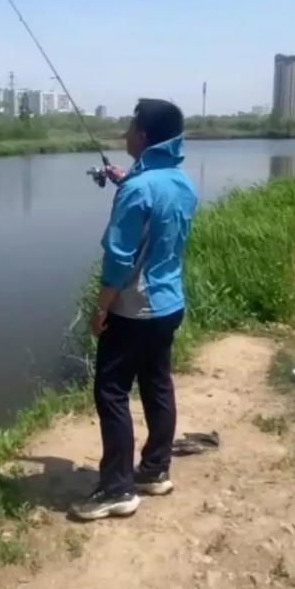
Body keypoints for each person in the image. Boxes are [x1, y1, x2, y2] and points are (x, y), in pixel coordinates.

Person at [71, 98, 199, 522]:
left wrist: (100, 308)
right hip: (169, 305)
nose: (124, 133)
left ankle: (116, 489)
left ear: (142, 136)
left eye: (129, 126)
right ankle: (155, 470)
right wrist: (121, 178)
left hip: (134, 310)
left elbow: (119, 260)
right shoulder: (180, 182)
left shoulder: (137, 190)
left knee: (110, 390)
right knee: (157, 384)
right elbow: (153, 204)